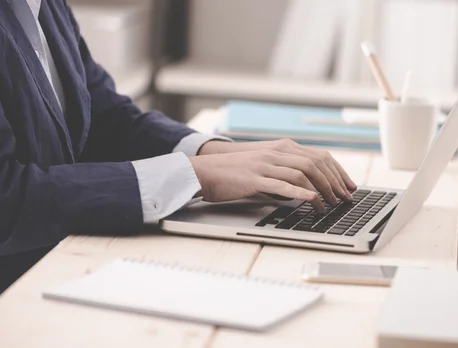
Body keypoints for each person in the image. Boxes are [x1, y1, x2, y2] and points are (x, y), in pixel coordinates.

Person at [0, 1, 356, 293]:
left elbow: (104, 116)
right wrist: (195, 176)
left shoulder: (45, 6)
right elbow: (7, 197)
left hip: (62, 269)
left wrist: (215, 153)